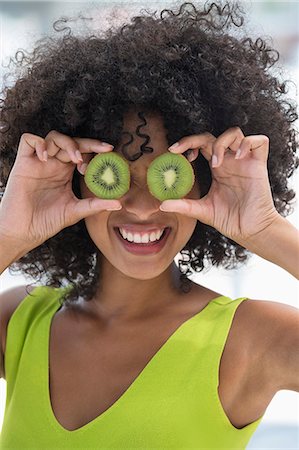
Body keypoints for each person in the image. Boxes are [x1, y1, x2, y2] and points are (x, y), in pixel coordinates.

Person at [0, 1, 298, 448]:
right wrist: (9, 234)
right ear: (76, 181)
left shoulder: (254, 337)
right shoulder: (20, 320)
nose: (141, 208)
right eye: (113, 175)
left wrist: (265, 229)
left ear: (205, 182)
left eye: (168, 177)